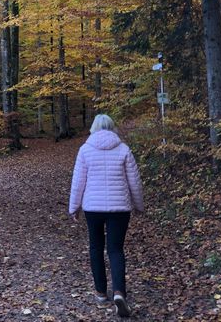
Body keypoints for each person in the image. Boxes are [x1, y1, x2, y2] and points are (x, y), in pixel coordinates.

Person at [68, 114, 144, 318]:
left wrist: (74, 207)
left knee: (95, 247)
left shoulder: (85, 150)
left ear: (93, 128)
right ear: (112, 128)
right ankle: (119, 292)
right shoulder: (124, 149)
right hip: (120, 209)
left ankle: (101, 292)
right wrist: (139, 205)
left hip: (93, 208)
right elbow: (134, 181)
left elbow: (78, 181)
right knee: (115, 249)